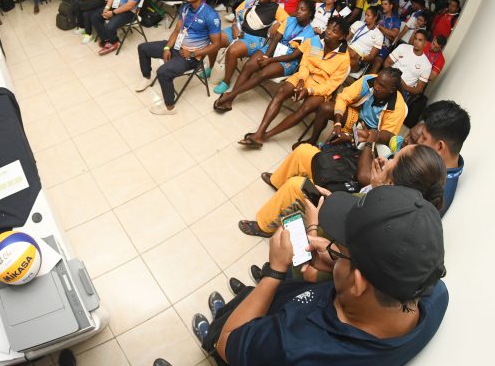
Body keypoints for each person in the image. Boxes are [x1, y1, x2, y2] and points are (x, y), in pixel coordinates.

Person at [193, 184, 448, 365]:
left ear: (358, 283)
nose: (333, 247)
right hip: (302, 297)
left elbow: (229, 342)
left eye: (341, 247)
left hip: (248, 336)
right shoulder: (434, 295)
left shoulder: (294, 347)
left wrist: (274, 272)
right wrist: (338, 263)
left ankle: (212, 332)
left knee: (220, 335)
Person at [241, 142, 447, 238]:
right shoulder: (398, 194)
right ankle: (278, 182)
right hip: (349, 200)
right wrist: (376, 185)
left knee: (297, 186)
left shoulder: (387, 219)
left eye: (393, 160)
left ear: (394, 183)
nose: (387, 159)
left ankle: (264, 225)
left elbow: (351, 221)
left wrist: (375, 189)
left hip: (338, 221)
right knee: (306, 151)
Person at [238, 18, 351, 149]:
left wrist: (309, 91)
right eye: (329, 27)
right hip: (305, 75)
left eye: (334, 31)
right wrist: (302, 81)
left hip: (321, 87)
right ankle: (259, 132)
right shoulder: (314, 41)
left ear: (342, 36)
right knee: (280, 93)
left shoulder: (344, 59)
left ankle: (264, 136)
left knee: (305, 109)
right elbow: (305, 64)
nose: (329, 32)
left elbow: (331, 86)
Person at [135, 0, 221, 115]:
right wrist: (167, 48)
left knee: (163, 72)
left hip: (190, 56)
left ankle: (170, 108)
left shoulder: (211, 15)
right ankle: (147, 78)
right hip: (177, 46)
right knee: (143, 48)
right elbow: (176, 31)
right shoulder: (186, 7)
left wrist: (192, 54)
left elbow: (217, 45)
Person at [213, 0, 317, 111]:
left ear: (310, 13)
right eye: (297, 9)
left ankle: (230, 96)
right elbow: (276, 39)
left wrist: (270, 60)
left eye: (303, 10)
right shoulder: (290, 20)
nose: (298, 12)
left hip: (287, 60)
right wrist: (267, 56)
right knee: (249, 65)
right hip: (273, 49)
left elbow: (293, 56)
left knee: (263, 74)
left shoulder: (310, 35)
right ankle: (230, 99)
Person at [299, 68, 407, 147]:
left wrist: (354, 137)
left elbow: (386, 136)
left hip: (372, 133)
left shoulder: (398, 107)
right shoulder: (369, 81)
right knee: (325, 108)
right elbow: (343, 98)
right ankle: (312, 141)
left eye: (382, 86)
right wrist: (337, 123)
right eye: (377, 81)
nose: (376, 87)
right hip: (357, 117)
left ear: (392, 90)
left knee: (340, 147)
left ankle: (331, 149)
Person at [210, 0, 288, 84]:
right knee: (214, 39)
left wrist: (278, 23)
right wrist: (234, 26)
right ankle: (212, 67)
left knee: (233, 51)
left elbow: (288, 21)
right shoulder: (250, 1)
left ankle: (226, 81)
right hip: (239, 29)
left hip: (255, 38)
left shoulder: (276, 8)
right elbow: (236, 15)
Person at [409, 100, 469, 212]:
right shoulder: (433, 163)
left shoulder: (436, 198)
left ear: (440, 147)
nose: (418, 141)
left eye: (424, 137)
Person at [385, 29, 433, 98]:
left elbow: (419, 89)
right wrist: (392, 77)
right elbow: (387, 63)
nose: (416, 42)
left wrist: (405, 87)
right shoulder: (403, 47)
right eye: (415, 39)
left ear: (425, 43)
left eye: (420, 40)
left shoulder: (427, 65)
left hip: (403, 90)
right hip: (389, 80)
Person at [346, 5, 384, 72]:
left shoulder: (379, 36)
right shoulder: (358, 24)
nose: (365, 17)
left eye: (368, 15)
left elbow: (371, 57)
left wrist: (359, 57)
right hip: (348, 50)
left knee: (345, 64)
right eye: (365, 14)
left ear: (375, 18)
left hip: (359, 59)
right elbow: (347, 38)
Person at [369, 0, 403, 72]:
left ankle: (366, 81)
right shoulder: (379, 15)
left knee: (377, 62)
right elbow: (370, 25)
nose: (383, 6)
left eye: (385, 4)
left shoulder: (396, 20)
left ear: (391, 6)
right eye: (382, 4)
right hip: (371, 40)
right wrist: (387, 33)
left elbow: (393, 35)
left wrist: (379, 27)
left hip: (384, 46)